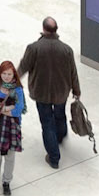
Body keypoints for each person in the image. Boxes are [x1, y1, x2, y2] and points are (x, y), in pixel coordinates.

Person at [18, 15, 81, 169]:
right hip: (61, 92)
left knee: (47, 123)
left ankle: (54, 157)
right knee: (60, 114)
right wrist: (76, 90)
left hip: (41, 93)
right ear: (56, 30)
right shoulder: (66, 49)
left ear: (43, 29)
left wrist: (12, 82)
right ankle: (60, 137)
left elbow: (23, 67)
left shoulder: (34, 48)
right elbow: (73, 72)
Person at [0, 58, 26, 195]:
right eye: (4, 74)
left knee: (10, 157)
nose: (6, 77)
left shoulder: (18, 89)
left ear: (13, 74)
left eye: (9, 74)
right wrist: (7, 108)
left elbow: (19, 109)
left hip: (12, 128)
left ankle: (6, 182)